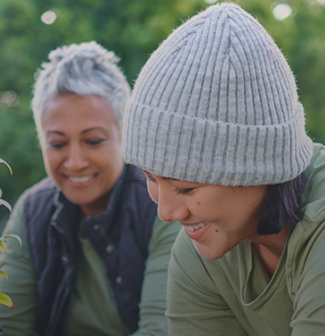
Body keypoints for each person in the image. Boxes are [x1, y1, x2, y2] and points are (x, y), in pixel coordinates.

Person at [121, 3, 325, 335]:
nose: (167, 212)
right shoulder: (202, 250)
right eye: (150, 177)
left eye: (186, 188)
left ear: (257, 167)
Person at [0, 42, 181, 336]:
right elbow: (6, 329)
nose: (75, 162)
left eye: (93, 140)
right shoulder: (31, 211)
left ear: (124, 135)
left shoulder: (163, 204)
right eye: (58, 144)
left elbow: (162, 331)